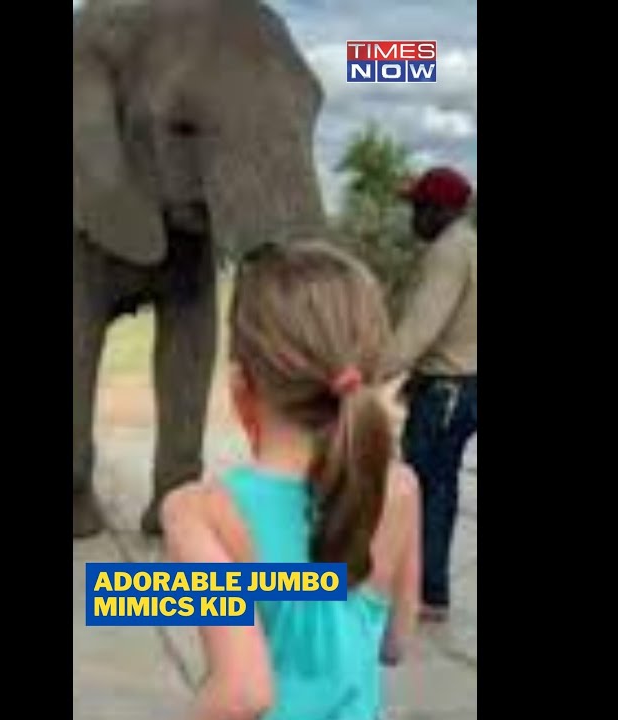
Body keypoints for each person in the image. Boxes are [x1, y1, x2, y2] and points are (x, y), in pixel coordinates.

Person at [161, 241, 421, 720]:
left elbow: (242, 693)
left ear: (242, 384)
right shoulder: (401, 489)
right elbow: (395, 644)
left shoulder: (200, 512)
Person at [381, 166, 478, 623]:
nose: (412, 218)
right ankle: (430, 588)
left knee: (425, 490)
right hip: (464, 385)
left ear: (443, 211)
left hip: (446, 390)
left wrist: (365, 372)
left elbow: (421, 328)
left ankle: (424, 592)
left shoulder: (448, 252)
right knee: (441, 486)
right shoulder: (470, 245)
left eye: (418, 208)